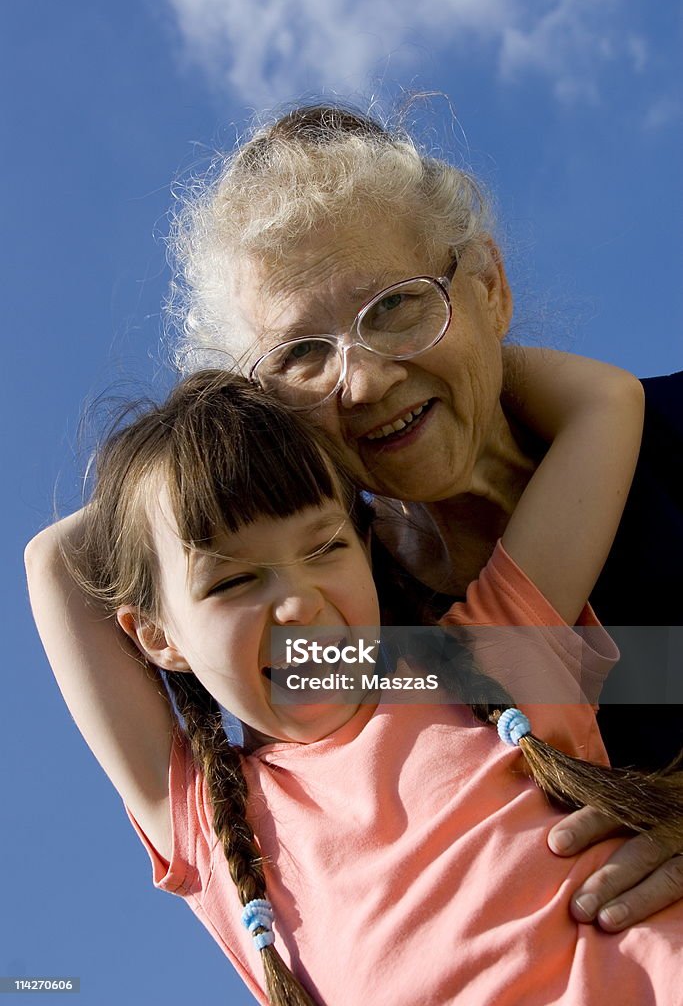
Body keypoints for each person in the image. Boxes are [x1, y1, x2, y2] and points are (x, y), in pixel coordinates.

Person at [163, 102, 683, 929]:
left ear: (489, 288)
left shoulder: (669, 432)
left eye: (398, 307)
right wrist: (204, 461)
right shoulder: (338, 635)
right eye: (300, 355)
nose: (363, 382)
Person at [26, 364, 683, 1006]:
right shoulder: (205, 822)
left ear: (366, 553)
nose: (297, 606)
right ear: (158, 636)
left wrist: (319, 400)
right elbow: (51, 561)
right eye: (229, 581)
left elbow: (605, 399)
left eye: (324, 548)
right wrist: (207, 446)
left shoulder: (486, 654)